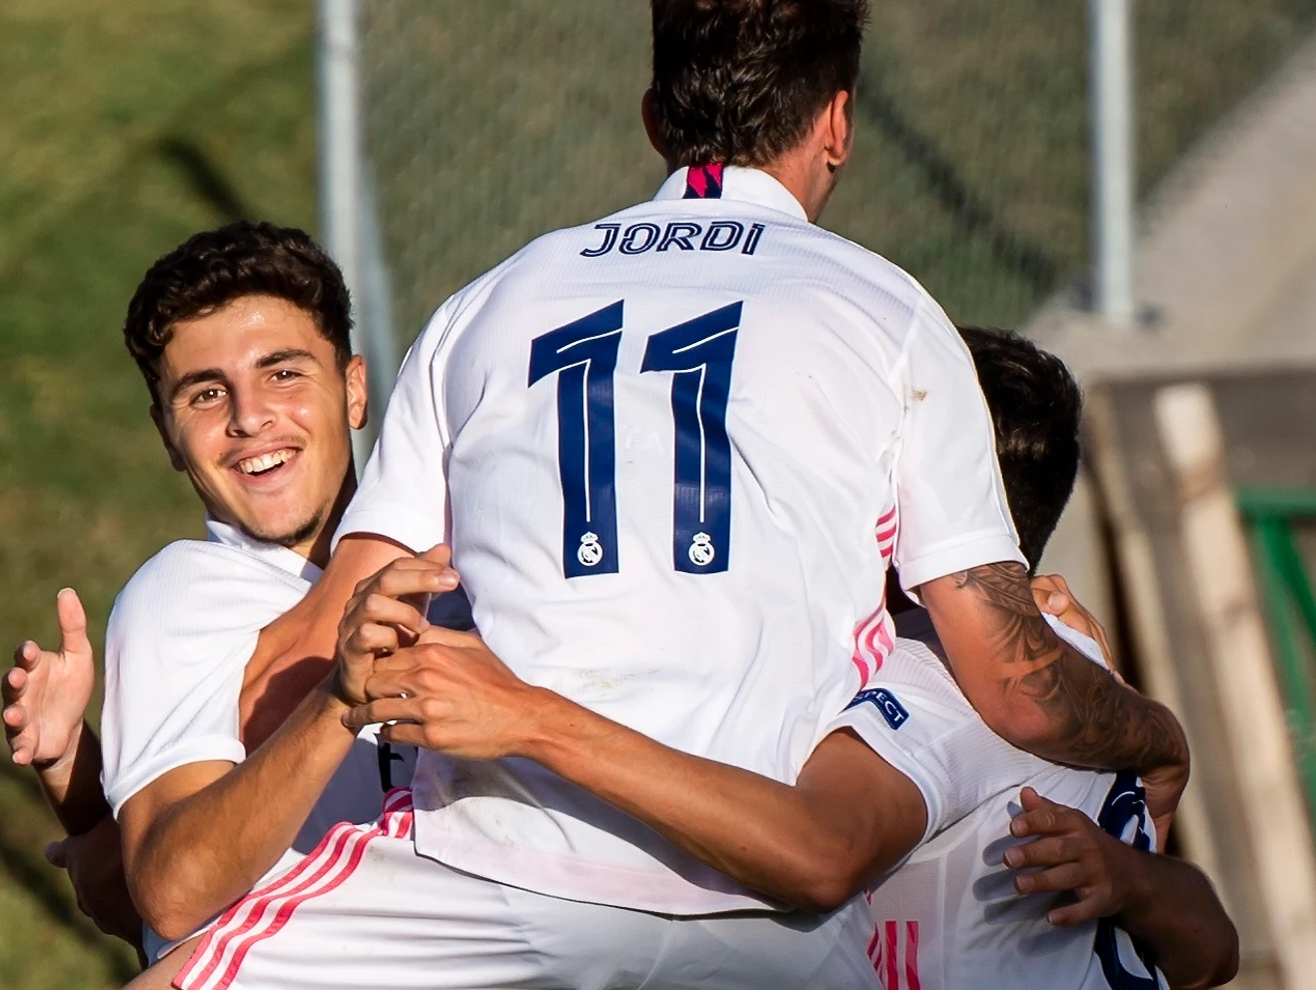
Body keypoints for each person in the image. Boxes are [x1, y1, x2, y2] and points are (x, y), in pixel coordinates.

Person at [13, 0, 1186, 989]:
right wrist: (1148, 733)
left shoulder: (492, 303)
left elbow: (323, 638)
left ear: (652, 120)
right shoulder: (892, 314)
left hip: (503, 884)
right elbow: (1011, 681)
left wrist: (113, 773)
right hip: (761, 910)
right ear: (836, 121)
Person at [337, 328, 1237, 990]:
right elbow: (1210, 950)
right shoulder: (1061, 655)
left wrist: (530, 716)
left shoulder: (946, 687)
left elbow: (819, 851)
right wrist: (1146, 843)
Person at [0, 221, 417, 962]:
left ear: (354, 389)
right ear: (166, 434)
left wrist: (87, 804)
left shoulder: (464, 558)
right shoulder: (183, 597)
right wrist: (336, 704)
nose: (249, 417)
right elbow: (175, 894)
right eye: (205, 395)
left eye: (283, 373)